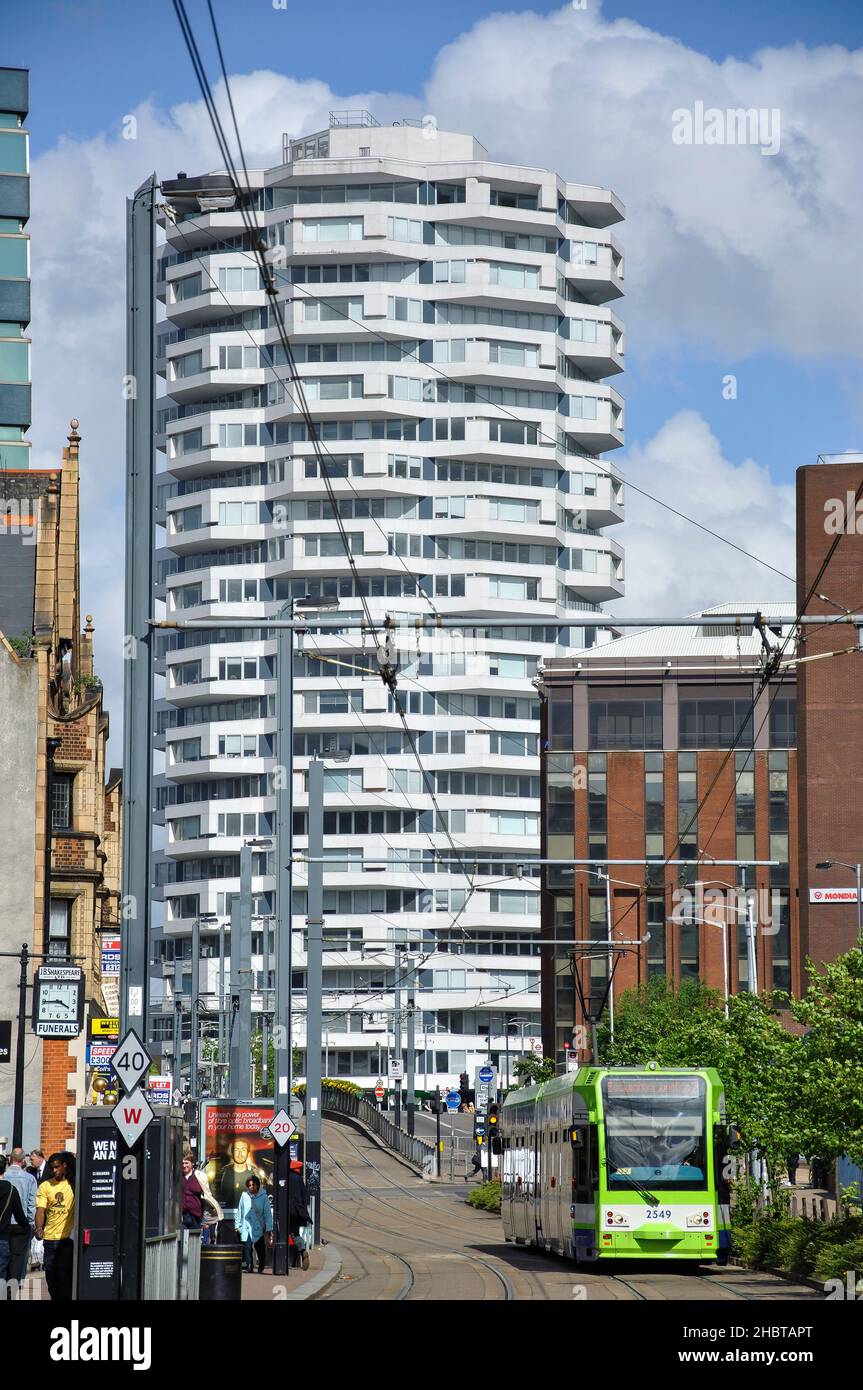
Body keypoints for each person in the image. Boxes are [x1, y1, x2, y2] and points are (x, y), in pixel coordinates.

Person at [34, 1153, 75, 1301]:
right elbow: (40, 1210)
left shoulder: (73, 1186)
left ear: (64, 1166)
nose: (54, 1171)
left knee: (65, 1278)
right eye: (52, 1168)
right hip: (50, 1239)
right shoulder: (45, 1186)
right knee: (51, 1277)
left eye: (57, 1167)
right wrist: (39, 1228)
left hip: (66, 1240)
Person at [4, 1148, 36, 1283]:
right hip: (21, 1224)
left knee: (4, 1256)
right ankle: (14, 1284)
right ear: (23, 1161)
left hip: (4, 1223)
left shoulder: (3, 1175)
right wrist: (30, 1223)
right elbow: (31, 1204)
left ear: (11, 1158)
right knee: (18, 1257)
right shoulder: (29, 1179)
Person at [0, 1155, 30, 1292]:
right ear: (4, 1169)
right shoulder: (11, 1190)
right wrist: (27, 1226)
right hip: (3, 1239)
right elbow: (19, 1216)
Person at [235, 1175, 272, 1273]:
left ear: (257, 1185)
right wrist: (237, 1225)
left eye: (253, 1185)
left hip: (258, 1227)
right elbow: (240, 1211)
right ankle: (249, 1265)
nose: (251, 1187)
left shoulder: (264, 1197)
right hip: (246, 1226)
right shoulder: (244, 1196)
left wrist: (269, 1227)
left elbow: (267, 1213)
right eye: (249, 1185)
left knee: (259, 1247)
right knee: (247, 1247)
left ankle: (261, 1263)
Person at [288, 1159, 311, 1271]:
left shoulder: (284, 1176)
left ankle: (283, 1261)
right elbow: (305, 1196)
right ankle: (302, 1251)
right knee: (295, 1234)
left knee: (280, 1234)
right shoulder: (298, 1178)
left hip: (286, 1211)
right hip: (297, 1211)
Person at [182, 1153, 205, 1231]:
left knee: (194, 1240)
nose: (184, 1165)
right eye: (182, 1163)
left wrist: (205, 1218)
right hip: (182, 1216)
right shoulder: (178, 1177)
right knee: (182, 1240)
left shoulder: (199, 1176)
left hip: (196, 1216)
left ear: (192, 1164)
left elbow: (206, 1196)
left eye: (186, 1163)